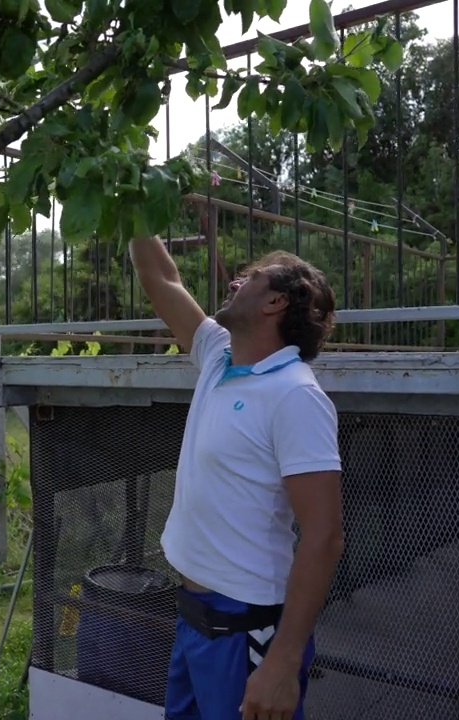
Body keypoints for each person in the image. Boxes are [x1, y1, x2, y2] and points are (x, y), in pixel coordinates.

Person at [128, 234, 345, 720]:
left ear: (275, 302)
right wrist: (134, 200)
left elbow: (324, 536)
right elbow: (160, 278)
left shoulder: (295, 396)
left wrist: (283, 663)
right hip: (195, 620)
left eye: (250, 278)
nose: (233, 281)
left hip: (247, 632)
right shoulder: (218, 356)